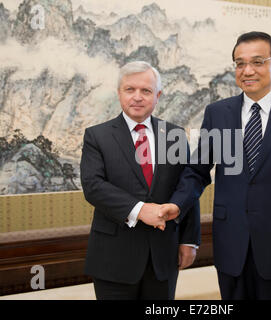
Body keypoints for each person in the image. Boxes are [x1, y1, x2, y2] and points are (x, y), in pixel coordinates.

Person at [163, 31, 271, 300]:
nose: (247, 70)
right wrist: (177, 204)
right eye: (240, 63)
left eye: (258, 61)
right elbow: (197, 170)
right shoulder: (218, 113)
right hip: (231, 242)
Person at [80, 61, 200, 300]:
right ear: (119, 93)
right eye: (130, 89)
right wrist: (140, 210)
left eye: (146, 91)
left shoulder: (174, 135)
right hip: (113, 259)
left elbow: (187, 188)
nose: (137, 97)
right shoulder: (97, 136)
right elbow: (93, 186)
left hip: (163, 256)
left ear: (158, 96)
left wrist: (189, 240)